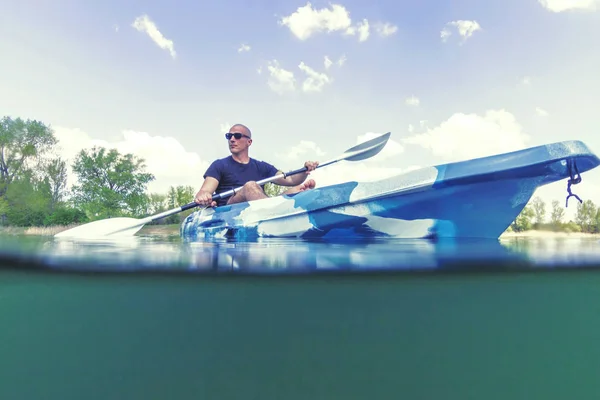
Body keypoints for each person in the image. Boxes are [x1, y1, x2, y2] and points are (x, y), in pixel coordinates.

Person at [194, 123, 319, 208]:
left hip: (258, 208)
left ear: (249, 142)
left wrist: (304, 171)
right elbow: (205, 190)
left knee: (297, 189)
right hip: (229, 210)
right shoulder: (219, 165)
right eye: (229, 136)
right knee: (250, 186)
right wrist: (203, 196)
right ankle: (272, 211)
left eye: (237, 136)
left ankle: (276, 208)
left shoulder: (262, 166)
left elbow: (291, 179)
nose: (232, 139)